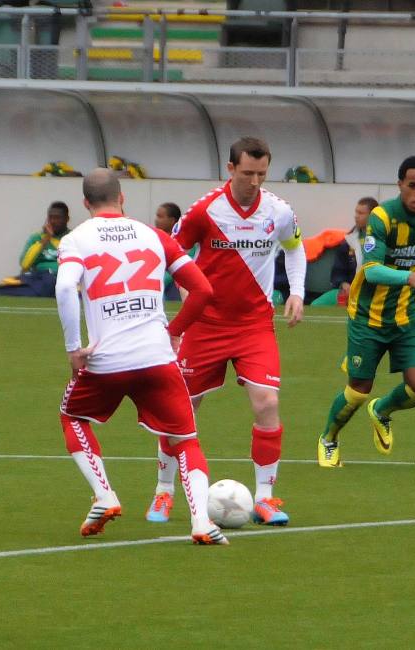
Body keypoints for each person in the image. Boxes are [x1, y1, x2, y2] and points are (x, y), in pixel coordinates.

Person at [55, 168, 227, 545]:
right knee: (186, 441)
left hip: (107, 362)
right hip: (156, 357)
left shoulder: (75, 240)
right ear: (123, 198)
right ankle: (201, 523)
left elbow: (66, 287)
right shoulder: (156, 236)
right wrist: (176, 330)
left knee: (72, 417)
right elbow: (202, 289)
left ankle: (104, 495)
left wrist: (73, 348)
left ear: (86, 203)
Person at [145, 136, 306, 526]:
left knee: (267, 403)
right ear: (230, 169)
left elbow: (294, 247)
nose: (255, 181)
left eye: (262, 174)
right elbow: (173, 254)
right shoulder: (204, 211)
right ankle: (164, 492)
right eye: (248, 173)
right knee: (182, 410)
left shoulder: (279, 211)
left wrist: (297, 292)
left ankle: (265, 499)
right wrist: (188, 297)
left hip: (255, 325)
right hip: (206, 325)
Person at [317, 155, 415, 468]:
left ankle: (382, 411)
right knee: (358, 390)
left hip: (409, 314)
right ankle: (329, 438)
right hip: (369, 316)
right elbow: (372, 270)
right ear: (400, 185)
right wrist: (410, 276)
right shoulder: (382, 219)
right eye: (413, 185)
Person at [0, 201, 71, 297]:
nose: (53, 221)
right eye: (50, 217)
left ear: (66, 219)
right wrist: (45, 239)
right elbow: (24, 264)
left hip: (57, 278)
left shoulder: (73, 238)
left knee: (49, 283)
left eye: (57, 218)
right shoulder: (37, 238)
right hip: (36, 277)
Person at [330, 197, 378, 296]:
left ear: (373, 216)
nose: (356, 216)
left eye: (361, 213)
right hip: (351, 291)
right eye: (356, 212)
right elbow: (338, 270)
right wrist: (343, 283)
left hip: (378, 292)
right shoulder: (347, 241)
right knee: (316, 304)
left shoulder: (385, 239)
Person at [154, 202, 183, 301]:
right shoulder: (152, 238)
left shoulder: (184, 241)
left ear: (172, 220)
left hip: (175, 285)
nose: (156, 220)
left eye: (160, 216)